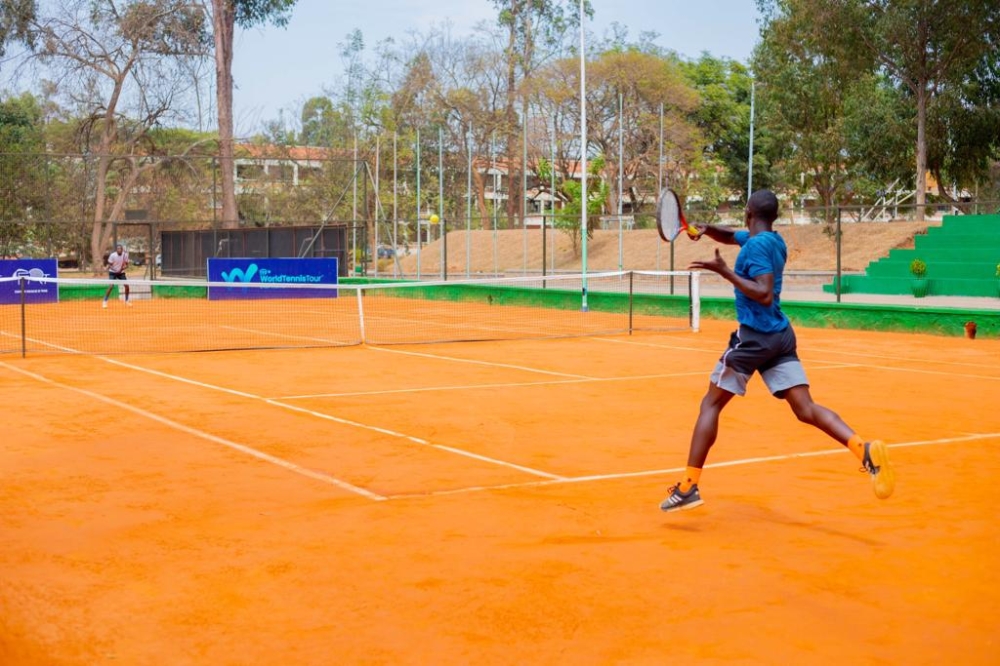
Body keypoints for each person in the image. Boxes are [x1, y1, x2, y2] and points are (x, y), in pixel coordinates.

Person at [660, 190, 894, 512]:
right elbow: (731, 236)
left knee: (710, 404)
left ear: (748, 212)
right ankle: (862, 449)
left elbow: (765, 293)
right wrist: (704, 228)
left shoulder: (755, 247)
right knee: (805, 408)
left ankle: (688, 486)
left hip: (754, 339)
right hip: (780, 336)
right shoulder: (772, 240)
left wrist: (725, 272)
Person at [102, 244, 131, 308]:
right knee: (111, 286)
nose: (119, 250)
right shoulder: (113, 255)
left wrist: (122, 269)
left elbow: (127, 265)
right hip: (112, 272)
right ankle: (105, 301)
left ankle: (127, 301)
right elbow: (110, 264)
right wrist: (106, 269)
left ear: (122, 250)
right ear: (116, 250)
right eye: (118, 249)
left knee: (127, 286)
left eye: (120, 249)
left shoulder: (125, 255)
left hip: (121, 273)